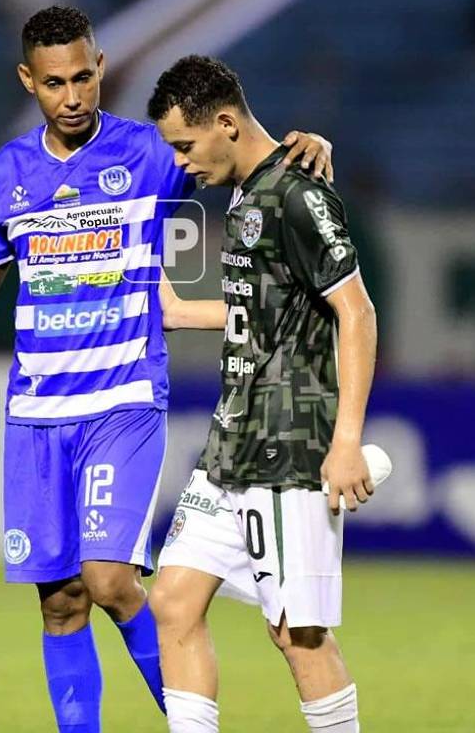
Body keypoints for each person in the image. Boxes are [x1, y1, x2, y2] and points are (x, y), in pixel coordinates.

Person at [0, 6, 336, 733]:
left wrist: (309, 144)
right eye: (53, 84)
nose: (72, 96)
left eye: (83, 78)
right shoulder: (6, 176)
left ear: (101, 69)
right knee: (61, 600)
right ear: (27, 82)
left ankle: (189, 720)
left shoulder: (151, 155)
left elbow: (237, 157)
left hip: (123, 402)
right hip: (35, 414)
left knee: (108, 580)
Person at [145, 55, 379, 733]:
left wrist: (345, 443)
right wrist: (189, 313)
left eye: (186, 146)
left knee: (297, 636)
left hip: (287, 447)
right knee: (174, 600)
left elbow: (355, 312)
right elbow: (268, 303)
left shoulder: (296, 194)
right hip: (233, 441)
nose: (183, 162)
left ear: (224, 123)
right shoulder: (251, 190)